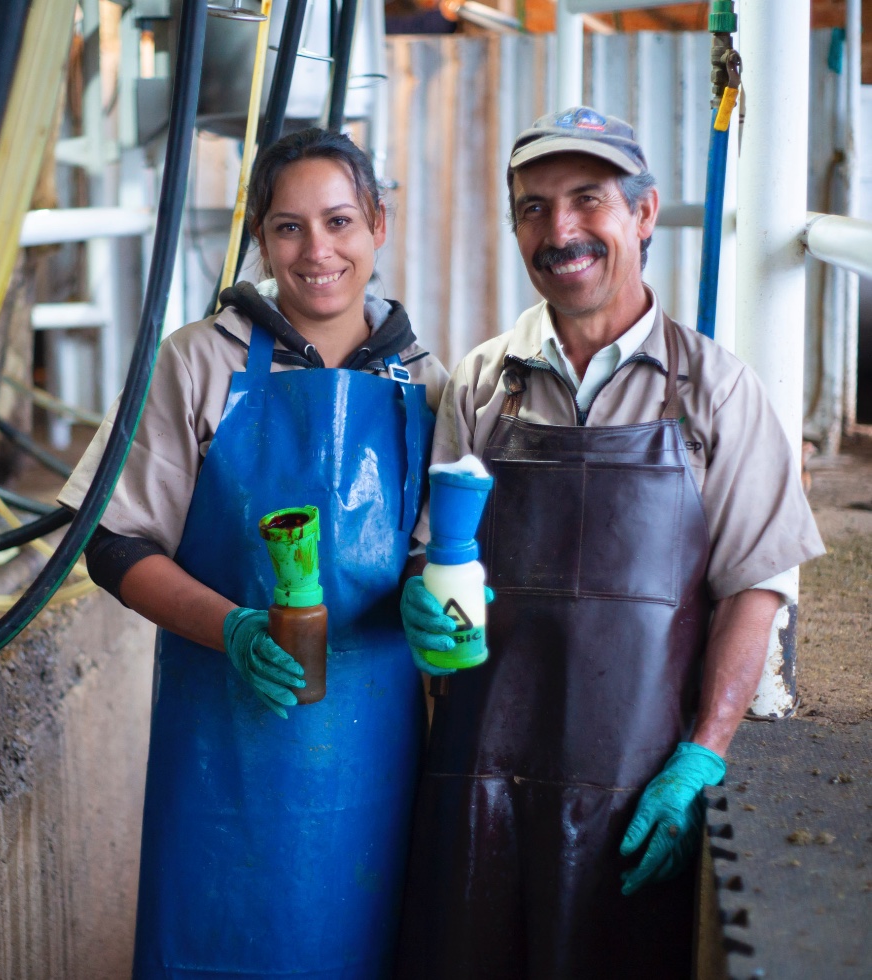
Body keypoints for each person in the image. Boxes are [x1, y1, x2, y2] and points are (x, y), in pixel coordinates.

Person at [395, 107, 825, 979]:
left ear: (643, 214)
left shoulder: (714, 389)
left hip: (634, 783)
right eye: (533, 208)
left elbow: (757, 585)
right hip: (479, 776)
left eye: (587, 200)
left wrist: (704, 752)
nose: (560, 231)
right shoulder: (480, 382)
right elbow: (432, 554)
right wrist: (419, 601)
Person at [59, 127, 448, 979]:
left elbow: (436, 556)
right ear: (262, 239)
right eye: (288, 227)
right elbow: (116, 543)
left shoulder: (428, 383)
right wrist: (232, 629)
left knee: (356, 936)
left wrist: (434, 600)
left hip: (369, 747)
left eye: (340, 221)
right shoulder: (199, 361)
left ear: (379, 223)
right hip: (219, 745)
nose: (318, 251)